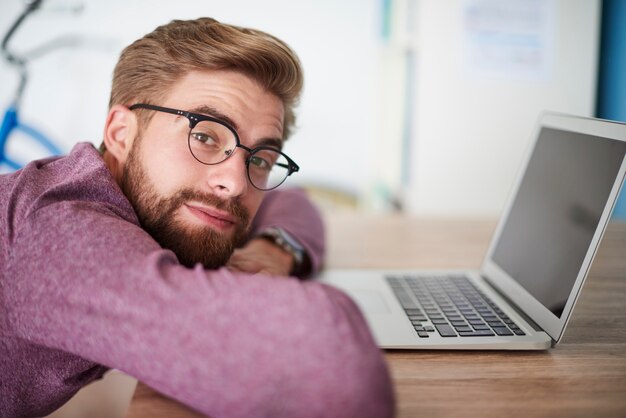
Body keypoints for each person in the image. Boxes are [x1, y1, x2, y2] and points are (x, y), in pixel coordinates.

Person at [0, 17, 394, 418]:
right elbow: (336, 369)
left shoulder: (128, 195)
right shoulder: (60, 238)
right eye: (205, 136)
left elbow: (293, 202)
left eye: (260, 159)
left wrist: (273, 250)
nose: (237, 183)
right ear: (121, 133)